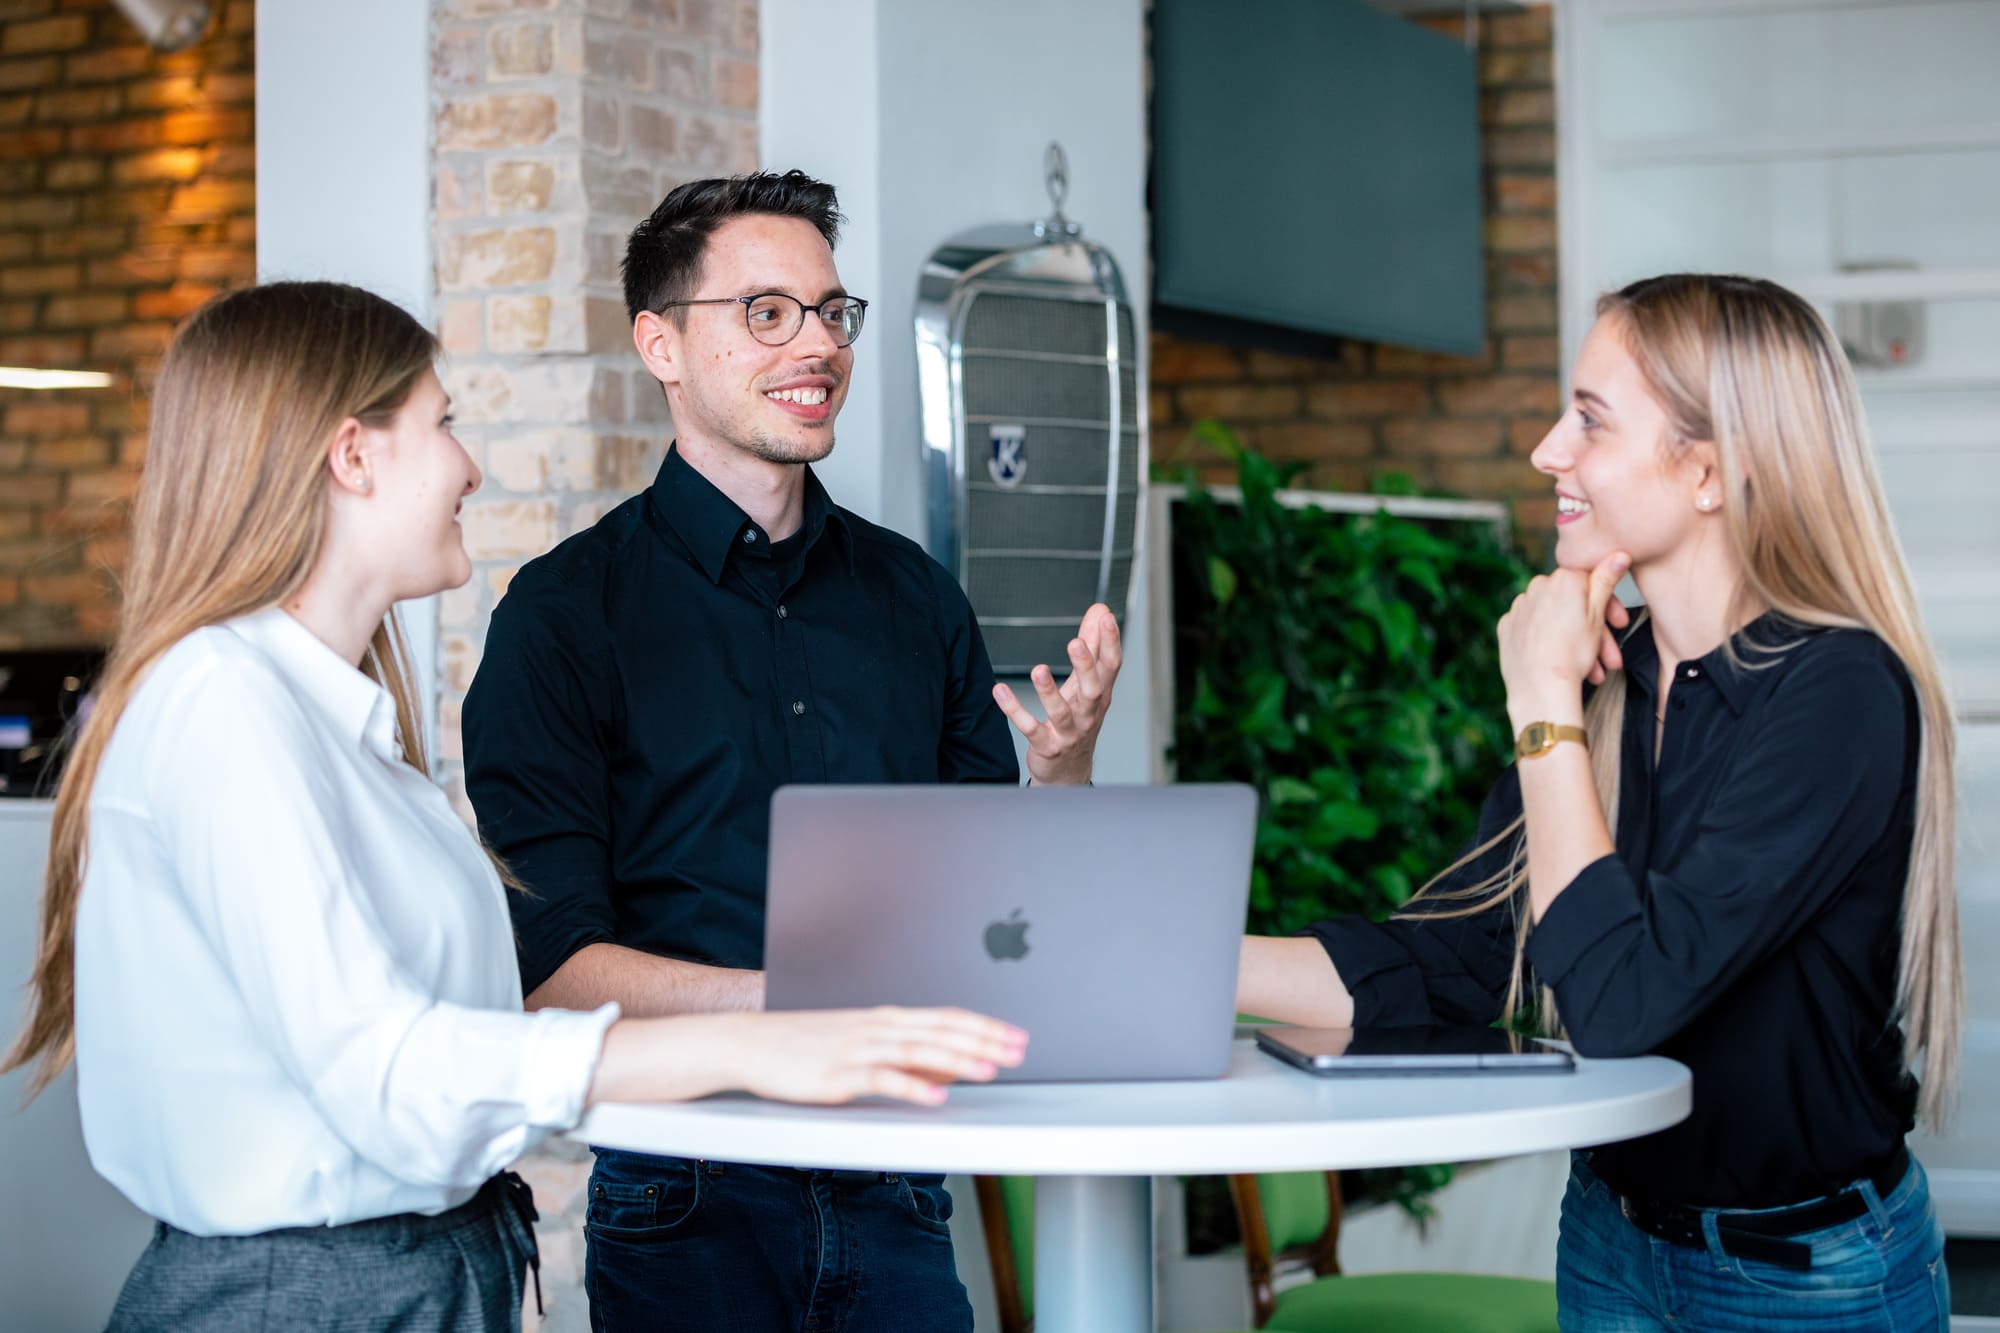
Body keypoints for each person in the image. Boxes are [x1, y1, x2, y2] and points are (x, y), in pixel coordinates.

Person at [1, 281, 1027, 1333]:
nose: (469, 464)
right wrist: (760, 1038)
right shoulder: (219, 704)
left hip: (436, 1272)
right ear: (351, 454)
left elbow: (457, 1046)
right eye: (441, 423)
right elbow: (389, 1071)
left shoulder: (351, 737)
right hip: (303, 1300)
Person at [461, 170, 1121, 1331]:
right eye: (765, 312)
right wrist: (804, 1018)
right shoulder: (563, 617)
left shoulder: (917, 601)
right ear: (660, 343)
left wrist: (1060, 775)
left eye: (828, 311)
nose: (815, 342)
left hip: (901, 1184)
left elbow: (1007, 923)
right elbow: (548, 971)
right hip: (680, 1196)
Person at [1237, 273, 1958, 1331]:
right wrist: (1174, 961)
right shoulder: (1605, 693)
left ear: (1705, 472)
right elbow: (1444, 965)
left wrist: (1539, 708)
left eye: (1587, 418)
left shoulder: (1836, 692)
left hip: (1800, 1281)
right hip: (1611, 1245)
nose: (1546, 452)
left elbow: (1622, 1005)